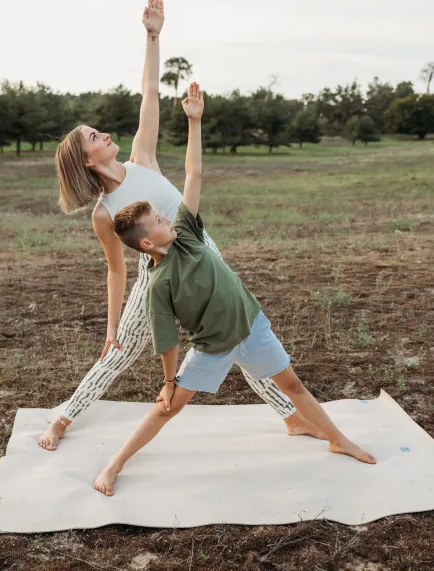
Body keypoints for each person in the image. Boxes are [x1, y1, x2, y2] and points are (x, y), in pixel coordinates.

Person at [38, 0, 320, 451]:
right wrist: (111, 327)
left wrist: (152, 35)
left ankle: (291, 416)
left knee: (237, 328)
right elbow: (117, 269)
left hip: (202, 250)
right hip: (160, 275)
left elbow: (149, 91)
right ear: (87, 160)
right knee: (122, 350)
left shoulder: (142, 159)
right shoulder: (104, 214)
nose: (105, 134)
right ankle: (64, 419)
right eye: (95, 136)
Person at [93, 82, 376, 496]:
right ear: (149, 243)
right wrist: (170, 381)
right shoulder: (158, 283)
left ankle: (337, 438)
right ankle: (115, 464)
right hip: (213, 347)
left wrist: (195, 123)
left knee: (293, 384)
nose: (167, 217)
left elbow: (194, 173)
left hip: (252, 325)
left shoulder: (186, 233)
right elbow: (167, 340)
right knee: (165, 409)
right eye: (158, 220)